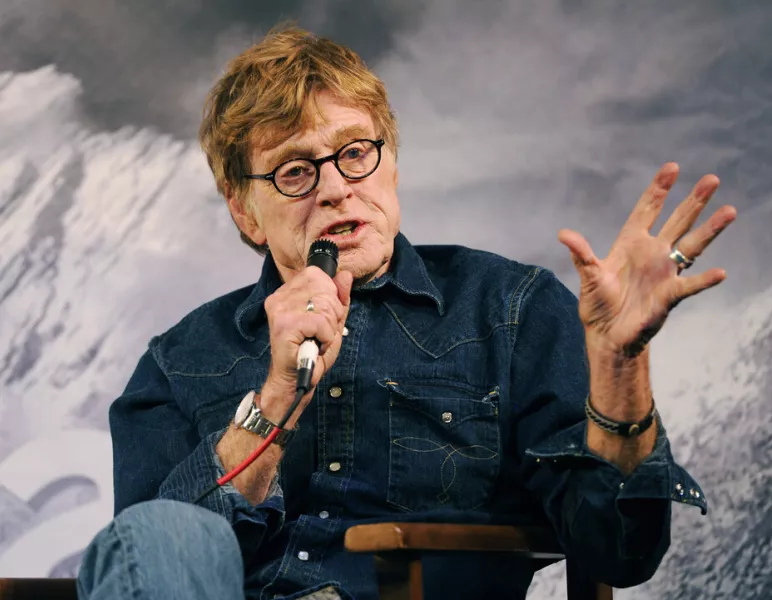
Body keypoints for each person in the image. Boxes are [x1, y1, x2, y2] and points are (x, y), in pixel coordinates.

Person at [76, 25, 736, 600]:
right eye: (295, 172)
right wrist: (274, 400)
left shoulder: (510, 311)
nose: (335, 188)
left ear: (392, 165)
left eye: (355, 153)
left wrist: (620, 366)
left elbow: (620, 551)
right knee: (160, 532)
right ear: (245, 210)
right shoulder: (177, 363)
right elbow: (147, 562)